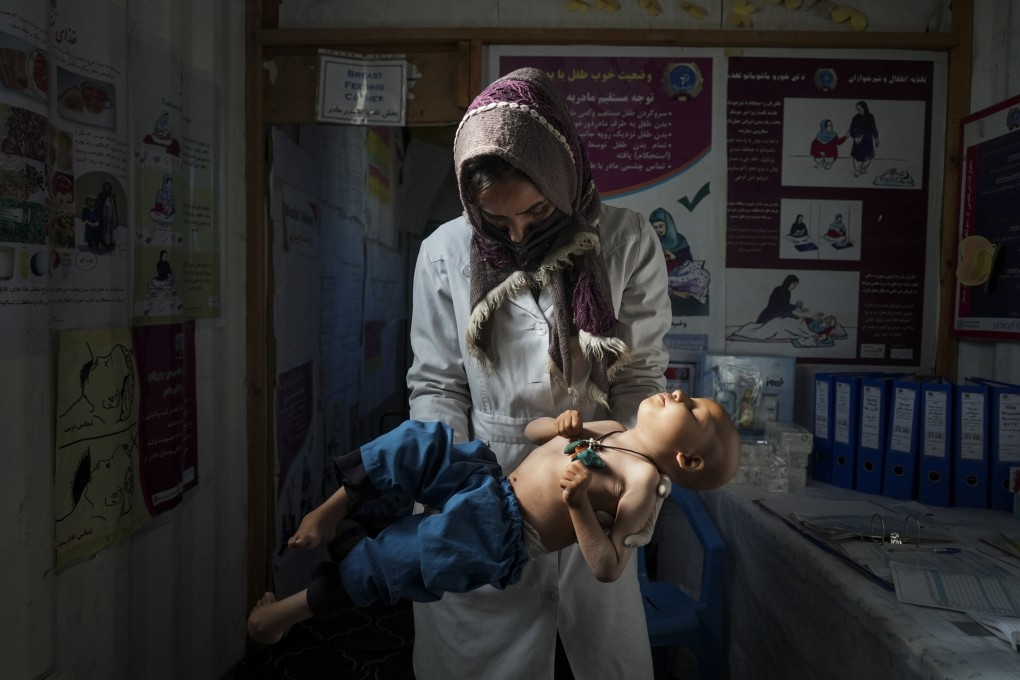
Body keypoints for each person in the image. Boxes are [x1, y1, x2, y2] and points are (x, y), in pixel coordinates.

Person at [406, 67, 672, 680]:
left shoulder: (627, 242)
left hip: (595, 468)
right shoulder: (445, 252)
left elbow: (637, 381)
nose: (520, 234)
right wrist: (451, 495)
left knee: (602, 657)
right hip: (481, 477)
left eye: (537, 210)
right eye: (498, 222)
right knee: (476, 660)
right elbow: (437, 386)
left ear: (564, 173)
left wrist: (631, 467)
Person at [247, 391, 741, 645]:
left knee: (396, 560)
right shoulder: (611, 428)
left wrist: (578, 507)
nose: (679, 395)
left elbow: (608, 566)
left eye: (694, 411)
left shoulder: (639, 486)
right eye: (690, 396)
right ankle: (332, 511)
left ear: (688, 462)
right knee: (420, 443)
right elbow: (533, 432)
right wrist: (560, 423)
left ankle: (279, 617)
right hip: (492, 483)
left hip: (497, 532)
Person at [848, 100, 879, 177]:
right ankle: (857, 170)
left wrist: (876, 138)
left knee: (868, 155)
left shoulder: (870, 116)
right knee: (857, 156)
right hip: (858, 138)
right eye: (857, 109)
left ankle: (864, 167)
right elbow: (851, 129)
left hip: (868, 138)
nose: (859, 110)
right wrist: (856, 136)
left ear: (865, 108)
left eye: (860, 108)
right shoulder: (856, 118)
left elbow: (873, 128)